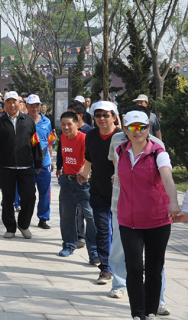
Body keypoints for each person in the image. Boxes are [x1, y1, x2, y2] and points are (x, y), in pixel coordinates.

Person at [114, 110, 180, 320]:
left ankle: (150, 311)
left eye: (141, 127)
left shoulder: (158, 153)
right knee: (133, 267)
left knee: (154, 268)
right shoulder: (120, 151)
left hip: (157, 220)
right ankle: (138, 314)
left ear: (148, 129)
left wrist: (174, 202)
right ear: (126, 130)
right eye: (132, 127)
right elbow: (119, 181)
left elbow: (168, 179)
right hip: (128, 221)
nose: (137, 131)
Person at [0, 91, 43, 239]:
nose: (12, 105)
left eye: (14, 102)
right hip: (6, 167)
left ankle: (23, 224)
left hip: (26, 166)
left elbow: (35, 142)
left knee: (30, 197)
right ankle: (10, 227)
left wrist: (38, 161)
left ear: (20, 104)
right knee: (7, 199)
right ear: (4, 104)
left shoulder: (28, 121)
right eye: (8, 102)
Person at [77, 101, 120, 283]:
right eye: (98, 115)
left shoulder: (121, 137)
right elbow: (89, 157)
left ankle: (125, 266)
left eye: (106, 115)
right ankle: (105, 268)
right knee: (102, 229)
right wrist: (84, 172)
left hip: (121, 193)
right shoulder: (92, 135)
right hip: (98, 189)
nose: (102, 119)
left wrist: (119, 175)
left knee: (120, 233)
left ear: (115, 117)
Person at [55, 111, 97, 260]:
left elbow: (91, 158)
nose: (66, 127)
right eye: (63, 124)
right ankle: (68, 245)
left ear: (77, 124)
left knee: (90, 216)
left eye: (69, 124)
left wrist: (85, 171)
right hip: (67, 182)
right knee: (66, 215)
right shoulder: (62, 137)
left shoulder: (84, 139)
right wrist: (60, 169)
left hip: (82, 183)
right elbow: (62, 155)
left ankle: (95, 252)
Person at [25, 95, 54, 229]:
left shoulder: (47, 122)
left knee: (45, 192)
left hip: (44, 162)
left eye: (37, 105)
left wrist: (51, 159)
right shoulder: (23, 121)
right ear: (27, 107)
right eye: (32, 106)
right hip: (27, 161)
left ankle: (43, 218)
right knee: (28, 193)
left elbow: (50, 141)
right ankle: (25, 217)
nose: (35, 108)